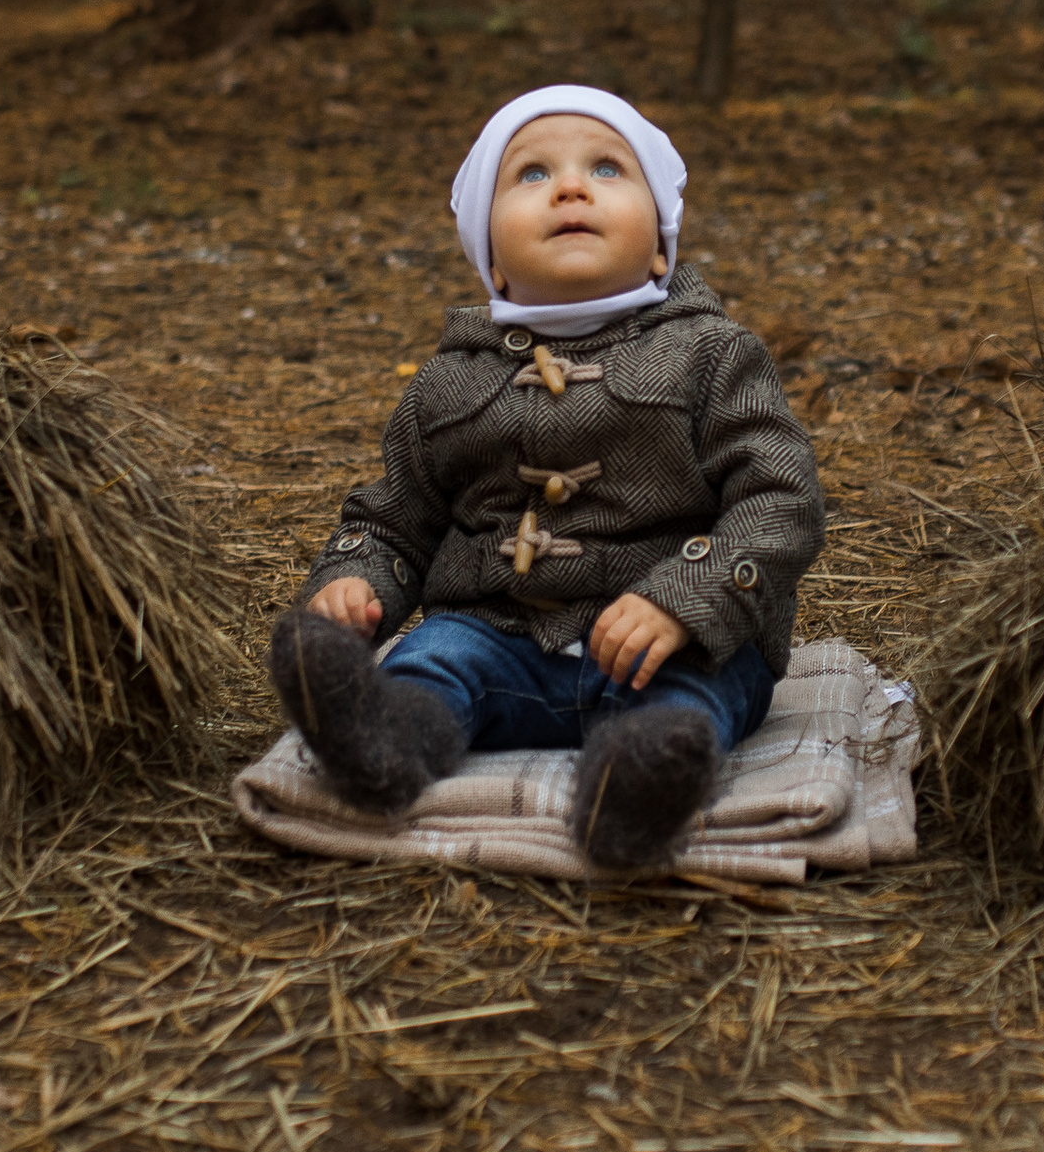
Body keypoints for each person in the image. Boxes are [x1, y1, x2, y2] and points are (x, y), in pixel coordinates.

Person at [268, 84, 825, 869]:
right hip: (498, 634)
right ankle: (383, 738)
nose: (569, 186)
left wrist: (687, 599)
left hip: (666, 641)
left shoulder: (711, 354)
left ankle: (640, 781)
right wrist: (354, 584)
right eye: (530, 174)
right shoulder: (446, 385)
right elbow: (397, 516)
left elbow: (780, 497)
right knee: (435, 658)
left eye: (606, 169)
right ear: (490, 255)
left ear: (662, 246)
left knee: (695, 693)